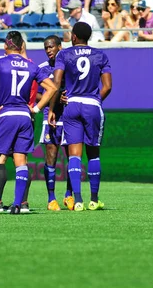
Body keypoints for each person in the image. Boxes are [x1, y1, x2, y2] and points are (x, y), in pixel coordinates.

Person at [0, 31, 57, 215]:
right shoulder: (31, 66)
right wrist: (37, 108)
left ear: (5, 45)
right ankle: (18, 204)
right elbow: (52, 88)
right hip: (25, 116)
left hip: (6, 114)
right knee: (21, 160)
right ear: (21, 45)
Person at [49, 22, 112, 212]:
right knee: (93, 153)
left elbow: (56, 82)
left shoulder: (64, 54)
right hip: (92, 104)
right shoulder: (100, 55)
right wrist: (94, 101)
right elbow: (108, 86)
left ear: (74, 37)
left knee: (74, 154)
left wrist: (52, 108)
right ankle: (94, 200)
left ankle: (77, 200)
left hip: (72, 105)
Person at [38, 35, 69, 211]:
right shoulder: (42, 69)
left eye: (51, 47)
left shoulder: (69, 66)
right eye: (46, 48)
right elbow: (35, 94)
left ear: (59, 47)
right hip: (51, 118)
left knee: (72, 155)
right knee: (51, 156)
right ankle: (51, 198)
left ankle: (69, 195)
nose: (49, 50)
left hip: (69, 117)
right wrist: (54, 99)